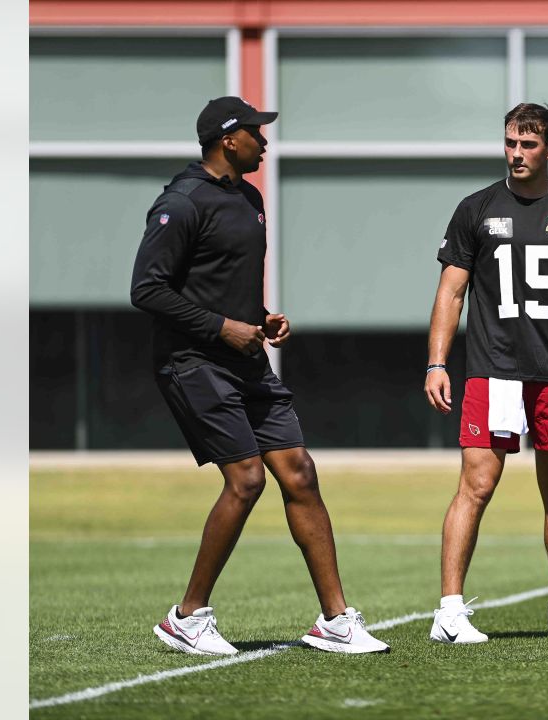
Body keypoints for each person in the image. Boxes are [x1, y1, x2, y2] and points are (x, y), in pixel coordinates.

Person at [131, 96, 388, 655]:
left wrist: (259, 316)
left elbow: (220, 280)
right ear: (229, 140)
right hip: (192, 362)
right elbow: (147, 290)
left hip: (245, 359)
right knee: (246, 479)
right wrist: (223, 327)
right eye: (255, 132)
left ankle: (336, 621)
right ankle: (187, 617)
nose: (264, 140)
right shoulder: (181, 202)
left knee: (299, 473)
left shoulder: (248, 198)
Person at [424, 103, 548, 643]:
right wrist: (437, 363)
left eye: (528, 145)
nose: (516, 154)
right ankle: (450, 611)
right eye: (510, 142)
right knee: (476, 485)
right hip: (493, 370)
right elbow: (451, 292)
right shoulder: (475, 208)